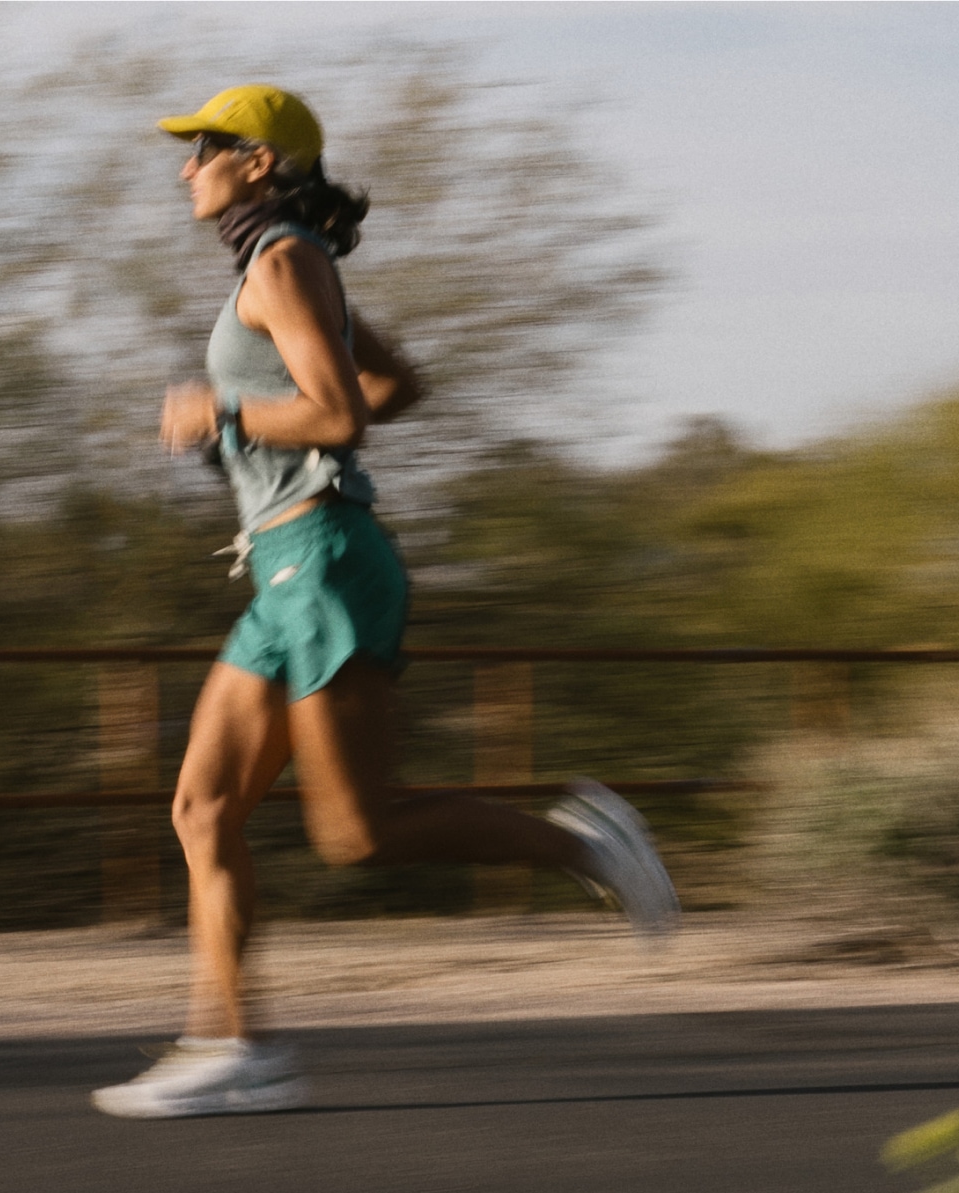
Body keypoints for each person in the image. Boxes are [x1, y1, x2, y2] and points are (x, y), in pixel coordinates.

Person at [94, 85, 679, 1121]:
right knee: (201, 808)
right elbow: (397, 384)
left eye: (204, 149)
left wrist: (221, 408)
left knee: (358, 836)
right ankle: (234, 1045)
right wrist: (252, 423)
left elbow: (337, 416)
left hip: (322, 560)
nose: (185, 167)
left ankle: (588, 846)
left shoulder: (283, 263)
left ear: (261, 161)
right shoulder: (282, 269)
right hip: (280, 570)